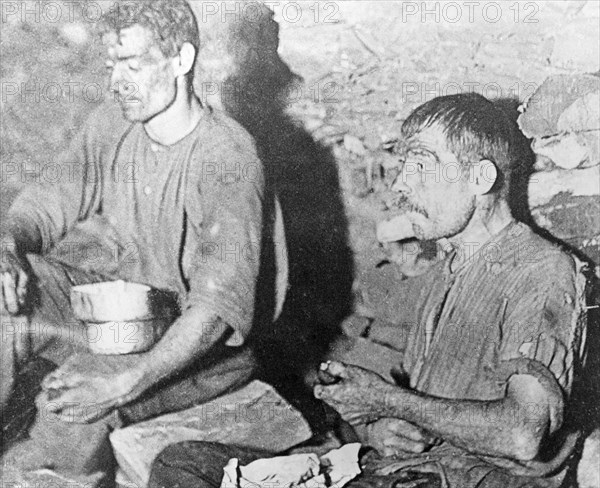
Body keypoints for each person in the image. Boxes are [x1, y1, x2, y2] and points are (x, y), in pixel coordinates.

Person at [148, 93, 588, 488]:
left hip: (468, 480)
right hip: (401, 471)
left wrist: (388, 399)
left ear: (480, 178)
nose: (400, 185)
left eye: (419, 166)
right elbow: (425, 413)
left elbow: (523, 434)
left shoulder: (541, 270)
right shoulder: (446, 273)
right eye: (401, 168)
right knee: (184, 464)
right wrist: (379, 426)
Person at [0, 0, 285, 484]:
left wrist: (122, 383)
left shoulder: (227, 157)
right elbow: (47, 203)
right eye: (112, 65)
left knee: (69, 402)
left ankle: (49, 470)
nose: (116, 81)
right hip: (124, 315)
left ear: (182, 61)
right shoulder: (115, 122)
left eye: (133, 64)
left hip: (206, 352)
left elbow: (215, 311)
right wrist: (7, 246)